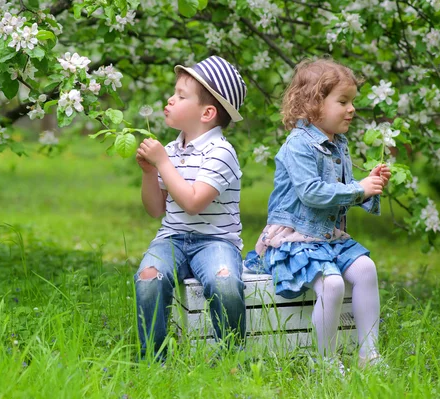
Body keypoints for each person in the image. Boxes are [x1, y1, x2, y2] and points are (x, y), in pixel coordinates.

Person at [245, 58, 391, 372]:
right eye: (343, 101)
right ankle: (324, 360)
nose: (352, 109)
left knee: (366, 270)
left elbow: (344, 194)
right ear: (314, 104)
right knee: (333, 285)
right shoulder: (297, 145)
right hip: (293, 239)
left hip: (328, 237)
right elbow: (311, 192)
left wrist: (369, 186)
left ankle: (369, 355)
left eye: (353, 102)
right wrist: (358, 189)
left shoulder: (339, 145)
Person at [134, 55, 248, 360]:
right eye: (174, 93)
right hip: (172, 237)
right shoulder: (171, 150)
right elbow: (156, 209)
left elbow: (193, 202)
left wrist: (161, 163)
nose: (170, 100)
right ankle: (153, 359)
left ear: (208, 112)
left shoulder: (221, 152)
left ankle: (230, 357)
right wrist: (149, 172)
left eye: (181, 96)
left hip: (215, 241)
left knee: (223, 282)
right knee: (148, 277)